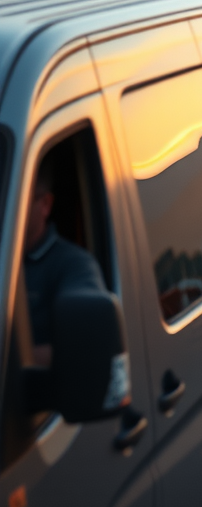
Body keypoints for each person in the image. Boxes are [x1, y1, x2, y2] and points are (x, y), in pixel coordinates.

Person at [23, 155, 105, 366]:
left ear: (45, 204)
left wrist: (12, 358)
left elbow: (86, 345)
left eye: (15, 199)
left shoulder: (75, 266)